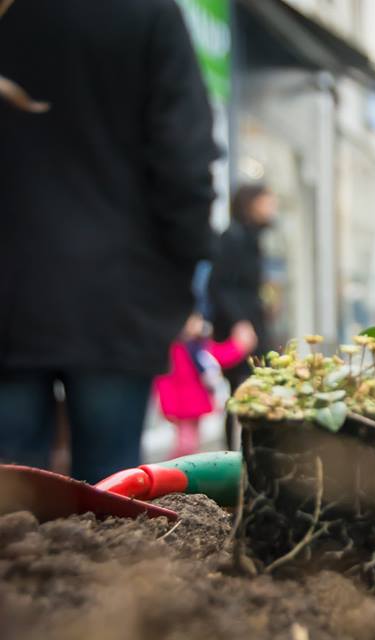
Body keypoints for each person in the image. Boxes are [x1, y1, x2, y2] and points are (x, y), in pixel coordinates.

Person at [0, 0, 217, 482]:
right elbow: (184, 162)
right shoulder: (146, 13)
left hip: (10, 293)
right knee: (107, 493)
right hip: (117, 293)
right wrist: (183, 273)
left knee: (10, 494)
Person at [208, 184, 277, 448]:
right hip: (239, 327)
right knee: (239, 391)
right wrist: (239, 322)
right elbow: (220, 284)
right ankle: (235, 452)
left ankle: (252, 449)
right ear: (251, 204)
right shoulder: (233, 237)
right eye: (267, 202)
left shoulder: (252, 237)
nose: (272, 208)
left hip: (252, 323)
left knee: (258, 387)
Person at [155, 314, 256, 458]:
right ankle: (173, 475)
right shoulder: (175, 346)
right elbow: (163, 378)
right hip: (180, 403)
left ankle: (180, 475)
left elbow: (219, 356)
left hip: (192, 403)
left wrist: (239, 346)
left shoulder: (197, 346)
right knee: (187, 444)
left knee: (190, 443)